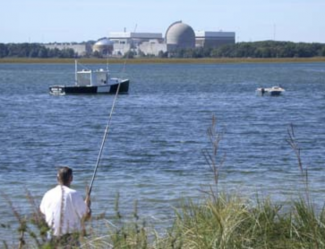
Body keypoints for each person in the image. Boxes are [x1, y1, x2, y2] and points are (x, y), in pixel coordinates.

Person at [40, 166, 91, 246]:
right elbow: (87, 216)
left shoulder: (48, 194)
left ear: (57, 178)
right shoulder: (74, 194)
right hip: (69, 237)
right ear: (71, 178)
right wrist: (87, 205)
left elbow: (42, 212)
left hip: (51, 235)